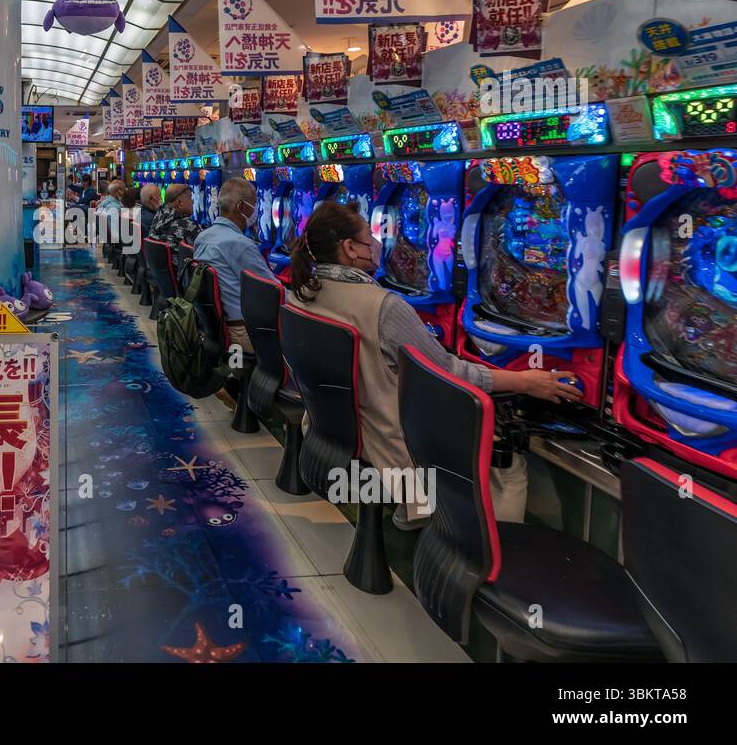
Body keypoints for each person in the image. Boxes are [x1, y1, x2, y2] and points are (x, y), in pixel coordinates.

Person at [285, 200, 583, 529]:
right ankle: (487, 558)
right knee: (505, 460)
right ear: (351, 248)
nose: (377, 241)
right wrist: (527, 382)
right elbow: (450, 373)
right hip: (389, 456)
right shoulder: (382, 306)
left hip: (329, 435)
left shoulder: (301, 292)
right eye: (369, 235)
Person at [192, 176, 275, 354]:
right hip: (241, 333)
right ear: (242, 207)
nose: (257, 210)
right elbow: (274, 292)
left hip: (214, 326)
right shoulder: (241, 245)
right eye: (255, 205)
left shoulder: (202, 237)